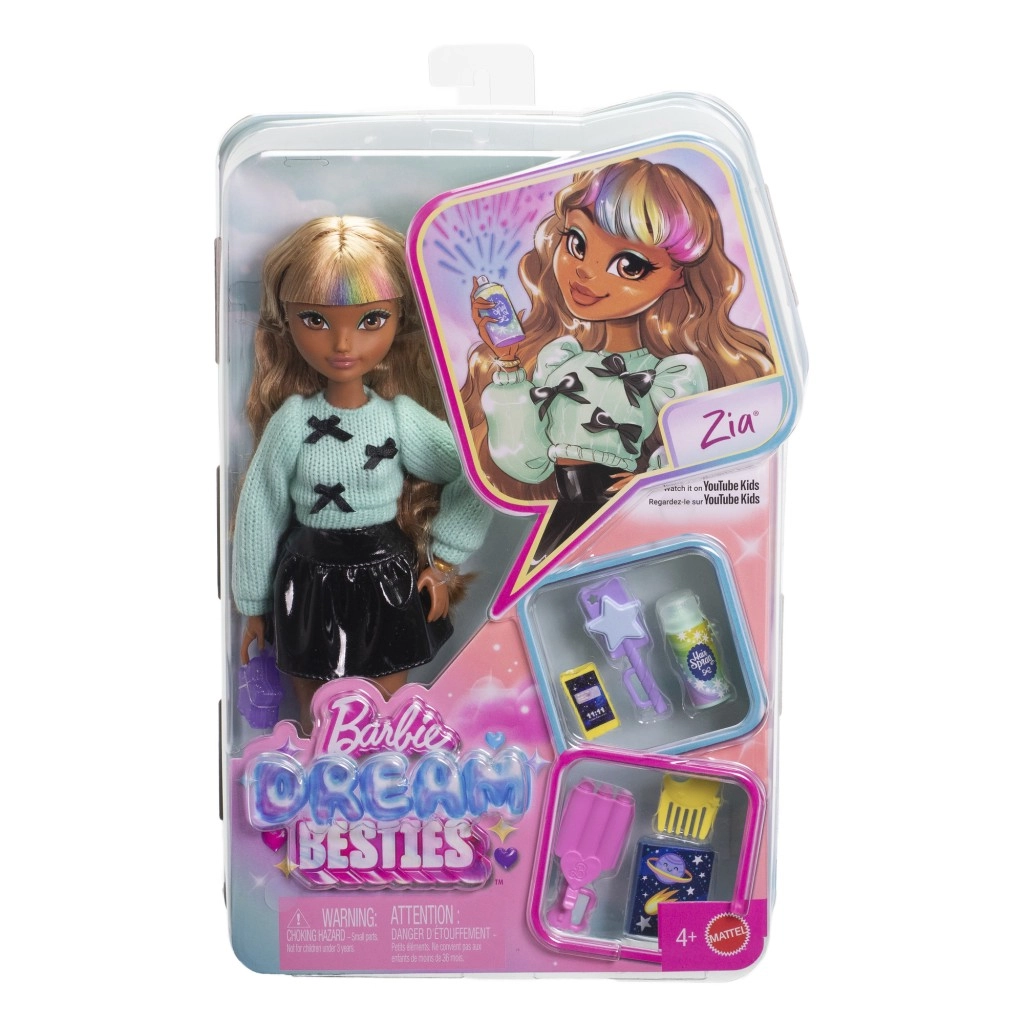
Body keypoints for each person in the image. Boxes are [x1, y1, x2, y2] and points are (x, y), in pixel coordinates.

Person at [233, 216, 491, 732]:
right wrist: (254, 603)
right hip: (308, 580)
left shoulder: (398, 419)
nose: (343, 343)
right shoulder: (293, 421)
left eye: (371, 320)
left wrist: (445, 559)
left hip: (384, 577)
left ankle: (382, 770)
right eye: (315, 320)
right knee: (316, 712)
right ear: (287, 320)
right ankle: (320, 772)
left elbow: (479, 475)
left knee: (383, 708)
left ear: (400, 320)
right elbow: (261, 502)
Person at [460, 158, 775, 560]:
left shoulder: (670, 375)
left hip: (619, 510)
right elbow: (527, 462)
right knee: (541, 570)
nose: (586, 273)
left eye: (630, 265)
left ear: (678, 275)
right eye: (577, 243)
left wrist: (651, 483)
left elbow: (701, 461)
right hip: (565, 508)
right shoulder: (562, 361)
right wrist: (507, 362)